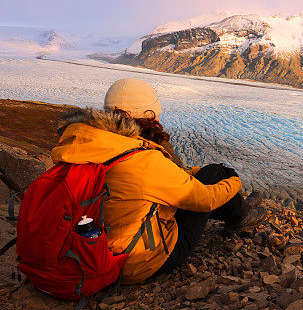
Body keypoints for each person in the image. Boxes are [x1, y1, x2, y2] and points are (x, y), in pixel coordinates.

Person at [51, 77, 269, 284]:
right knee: (216, 174)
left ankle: (239, 210)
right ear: (146, 115)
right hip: (138, 263)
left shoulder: (87, 147)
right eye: (154, 115)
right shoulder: (142, 160)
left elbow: (163, 178)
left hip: (91, 250)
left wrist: (191, 172)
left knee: (200, 178)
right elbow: (205, 200)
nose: (158, 120)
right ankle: (241, 215)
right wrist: (235, 180)